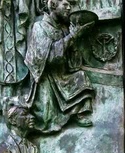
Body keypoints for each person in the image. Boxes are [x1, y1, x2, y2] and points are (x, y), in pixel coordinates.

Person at [24, 0, 96, 132]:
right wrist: (72, 36)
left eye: (70, 5)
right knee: (46, 117)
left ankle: (76, 113)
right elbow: (49, 57)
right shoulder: (39, 27)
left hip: (62, 75)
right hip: (46, 77)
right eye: (65, 5)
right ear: (53, 5)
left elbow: (71, 59)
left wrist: (75, 39)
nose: (69, 8)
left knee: (81, 77)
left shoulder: (63, 28)